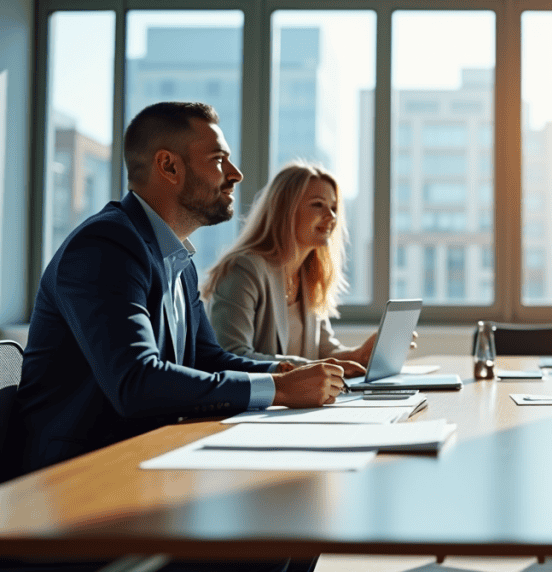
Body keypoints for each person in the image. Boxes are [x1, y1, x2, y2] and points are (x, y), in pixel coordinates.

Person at [15, 102, 348, 477]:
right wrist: (278, 388)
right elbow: (136, 381)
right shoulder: (106, 246)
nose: (236, 174)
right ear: (169, 166)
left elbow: (208, 359)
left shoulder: (177, 259)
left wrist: (282, 369)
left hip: (149, 459)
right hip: (74, 478)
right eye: (219, 159)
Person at [202, 161, 375, 370]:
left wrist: (360, 355)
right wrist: (311, 368)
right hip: (258, 402)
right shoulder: (244, 269)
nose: (332, 217)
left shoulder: (309, 274)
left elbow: (326, 351)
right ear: (286, 210)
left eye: (334, 207)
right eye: (318, 204)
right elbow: (232, 355)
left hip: (303, 402)